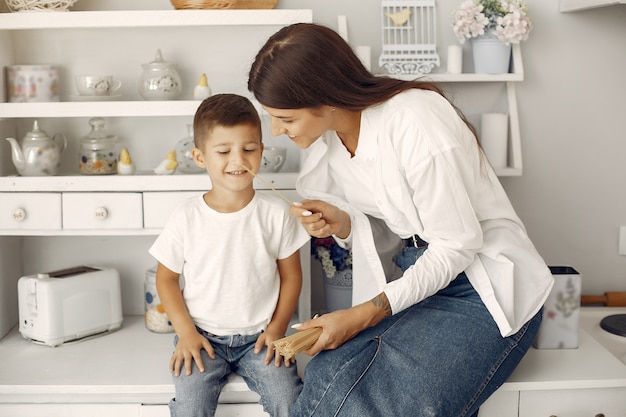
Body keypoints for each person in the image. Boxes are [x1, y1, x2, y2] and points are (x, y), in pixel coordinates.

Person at [248, 23, 554, 417]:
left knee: (382, 397)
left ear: (323, 98)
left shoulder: (416, 121)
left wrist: (362, 314)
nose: (276, 131)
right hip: (418, 277)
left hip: (483, 288)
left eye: (284, 118)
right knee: (329, 372)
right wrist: (344, 223)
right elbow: (401, 227)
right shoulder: (331, 147)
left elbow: (457, 244)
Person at [149, 94, 310, 417]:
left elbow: (292, 276)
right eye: (223, 151)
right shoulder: (186, 216)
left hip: (261, 339)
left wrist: (277, 329)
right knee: (191, 405)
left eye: (249, 149)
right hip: (202, 338)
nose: (238, 159)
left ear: (261, 152)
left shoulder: (275, 213)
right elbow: (165, 278)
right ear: (199, 157)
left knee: (290, 400)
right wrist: (186, 334)